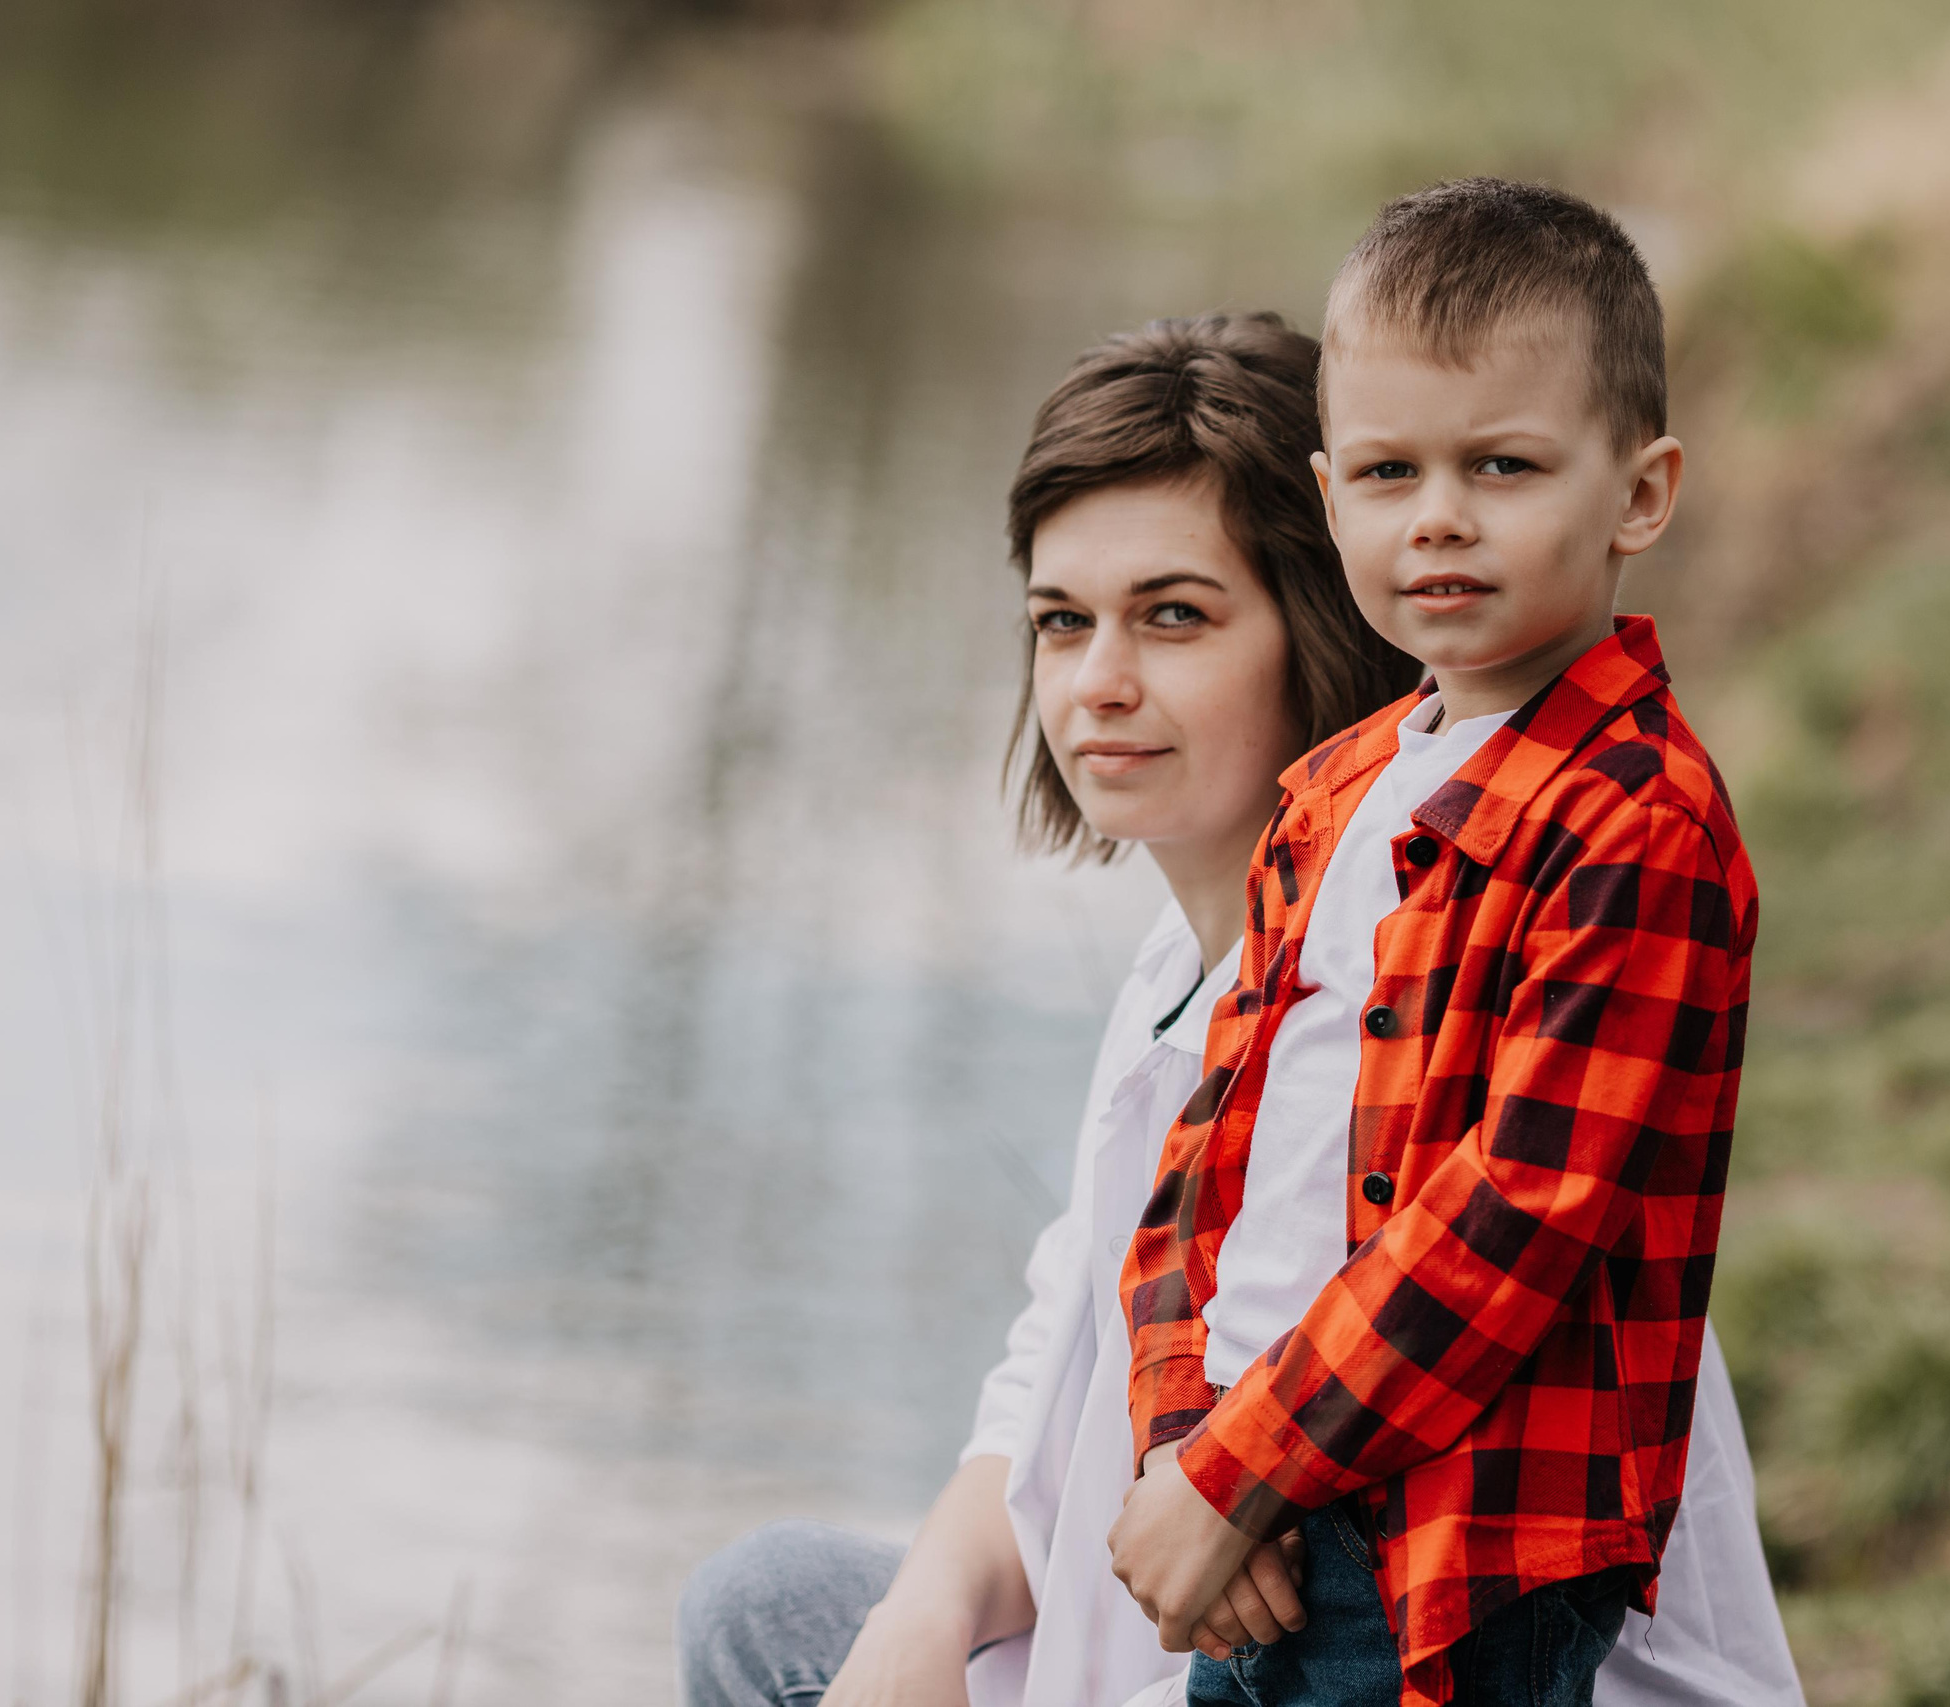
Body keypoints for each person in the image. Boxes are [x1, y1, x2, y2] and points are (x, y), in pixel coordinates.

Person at [677, 311, 1799, 1707]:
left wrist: (1220, 1476)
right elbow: (1058, 1361)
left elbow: (1406, 1457)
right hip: (1195, 1630)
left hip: (1451, 1667)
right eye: (1061, 623)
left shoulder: (1432, 1008)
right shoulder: (1180, 975)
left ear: (1323, 617)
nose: (1099, 684)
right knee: (775, 1607)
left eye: (1174, 616)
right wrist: (924, 1613)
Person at [1109, 182, 1761, 1707]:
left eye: (1505, 466)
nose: (1440, 517)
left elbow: (1517, 1217)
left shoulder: (1632, 822)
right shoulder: (1332, 792)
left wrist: (1237, 1469)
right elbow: (1214, 1139)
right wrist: (1180, 1439)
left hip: (1456, 1548)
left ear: (1640, 494)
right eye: (1392, 471)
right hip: (1259, 1493)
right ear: (1331, 497)